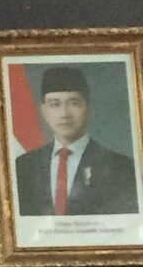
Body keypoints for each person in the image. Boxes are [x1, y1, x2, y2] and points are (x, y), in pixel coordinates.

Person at [12, 64, 140, 216]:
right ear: (44, 110)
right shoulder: (23, 166)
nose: (64, 114)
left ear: (88, 107)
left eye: (74, 103)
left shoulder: (121, 168)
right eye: (55, 104)